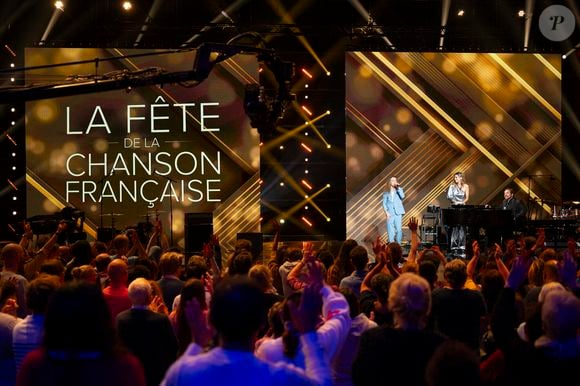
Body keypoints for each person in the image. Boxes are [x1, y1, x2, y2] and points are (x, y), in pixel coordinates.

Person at [160, 275, 334, 386]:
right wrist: (309, 333)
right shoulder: (278, 376)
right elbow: (322, 383)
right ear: (260, 323)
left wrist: (197, 343)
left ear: (211, 320)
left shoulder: (185, 372)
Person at [446, 172, 469, 257]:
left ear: (461, 178)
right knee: (455, 227)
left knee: (462, 227)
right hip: (454, 207)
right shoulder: (452, 186)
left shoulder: (466, 186)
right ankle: (454, 247)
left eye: (457, 177)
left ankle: (462, 247)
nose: (455, 179)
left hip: (462, 207)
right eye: (454, 177)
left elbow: (467, 198)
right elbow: (449, 196)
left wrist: (462, 202)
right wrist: (455, 202)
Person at [382, 177, 405, 244]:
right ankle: (391, 244)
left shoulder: (399, 190)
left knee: (398, 229)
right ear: (389, 182)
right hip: (390, 213)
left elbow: (402, 196)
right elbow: (384, 204)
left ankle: (398, 244)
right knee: (390, 229)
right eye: (392, 180)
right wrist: (386, 212)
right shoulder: (386, 193)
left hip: (398, 212)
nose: (394, 181)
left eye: (395, 180)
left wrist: (398, 188)